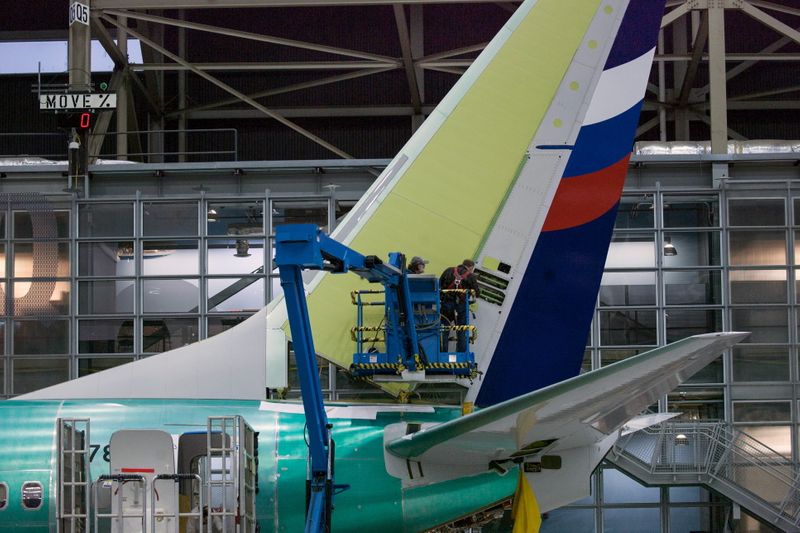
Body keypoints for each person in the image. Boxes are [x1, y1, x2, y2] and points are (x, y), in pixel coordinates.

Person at [439, 259, 480, 352]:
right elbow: (477, 293)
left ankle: (442, 353)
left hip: (446, 305)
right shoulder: (471, 276)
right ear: (470, 267)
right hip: (461, 307)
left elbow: (439, 285)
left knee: (444, 329)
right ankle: (461, 354)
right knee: (462, 330)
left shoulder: (448, 270)